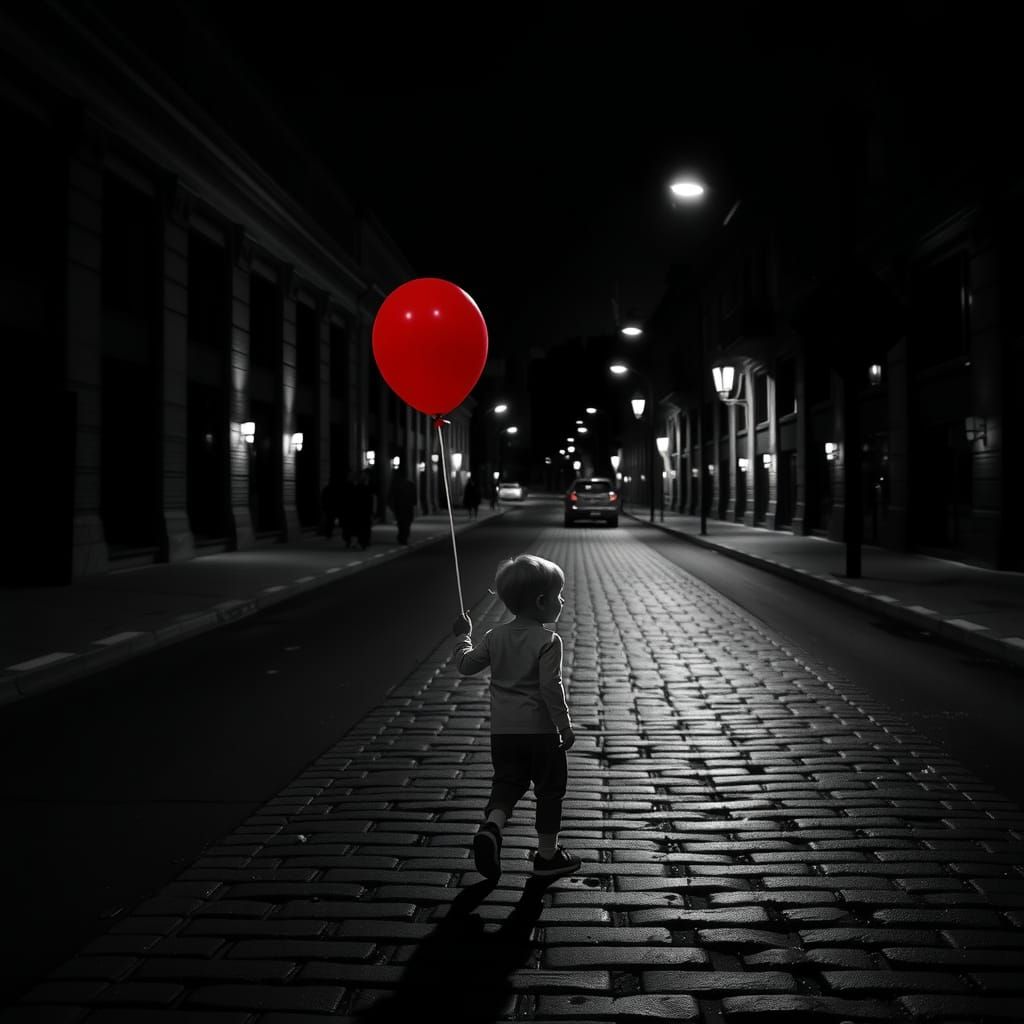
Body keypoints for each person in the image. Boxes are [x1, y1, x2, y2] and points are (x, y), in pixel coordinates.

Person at [452, 554, 579, 882]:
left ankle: (492, 827)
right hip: (540, 732)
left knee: (507, 784)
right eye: (558, 596)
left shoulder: (495, 637)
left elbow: (465, 666)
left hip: (503, 734)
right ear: (541, 602)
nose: (562, 601)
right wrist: (563, 724)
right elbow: (551, 687)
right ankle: (548, 855)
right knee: (550, 790)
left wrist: (462, 637)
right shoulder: (549, 641)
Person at [387, 467, 417, 545]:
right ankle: (403, 537)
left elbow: (391, 496)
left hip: (401, 507)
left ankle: (402, 537)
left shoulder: (396, 485)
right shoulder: (409, 484)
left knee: (402, 523)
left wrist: (392, 506)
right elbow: (414, 497)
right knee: (405, 523)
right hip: (405, 507)